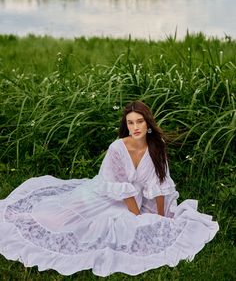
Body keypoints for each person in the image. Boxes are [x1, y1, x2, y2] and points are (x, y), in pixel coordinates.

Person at [0, 101, 219, 277]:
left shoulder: (156, 145)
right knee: (61, 219)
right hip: (103, 194)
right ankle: (21, 218)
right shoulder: (117, 148)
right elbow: (119, 188)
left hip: (133, 199)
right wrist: (136, 214)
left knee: (122, 228)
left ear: (148, 124)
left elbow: (159, 184)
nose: (135, 128)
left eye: (139, 122)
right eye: (130, 123)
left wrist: (162, 218)